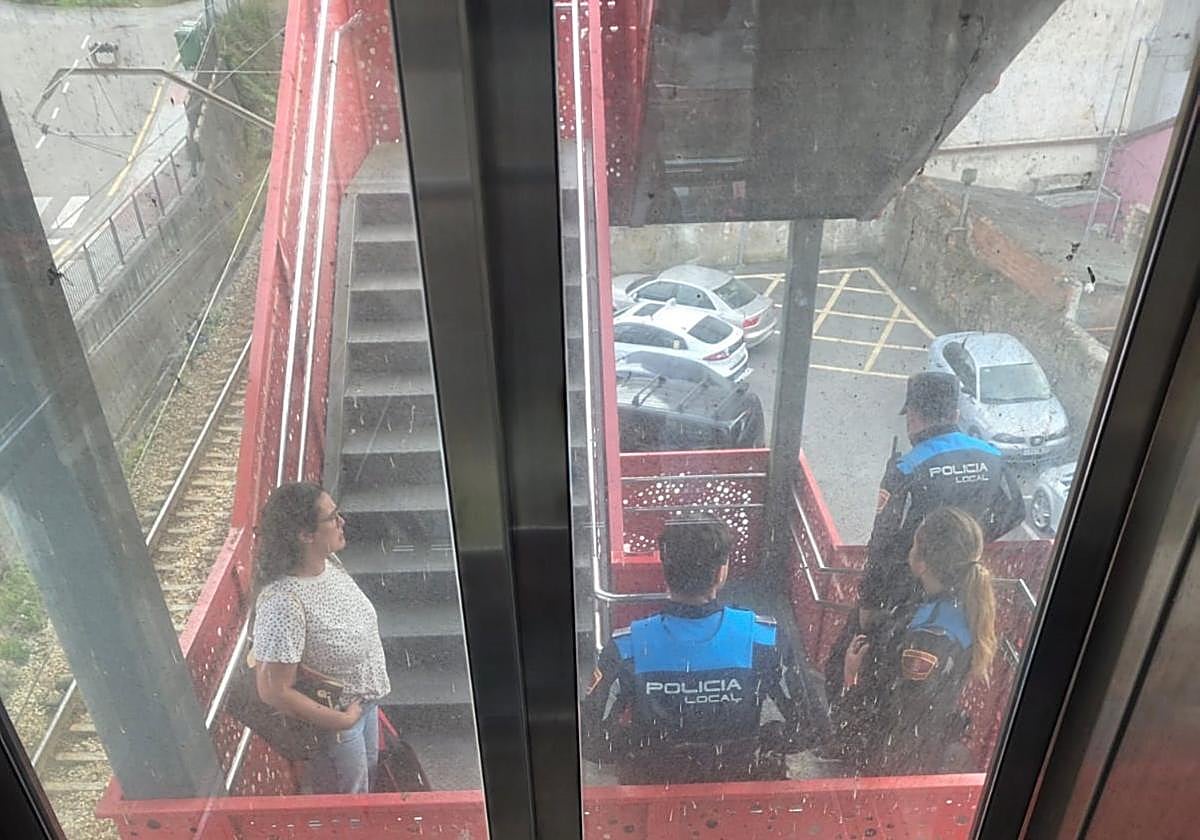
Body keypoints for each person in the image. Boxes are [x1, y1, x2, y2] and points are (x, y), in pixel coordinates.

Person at [581, 519, 826, 784]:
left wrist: (645, 747)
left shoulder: (626, 646)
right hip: (738, 791)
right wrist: (764, 739)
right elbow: (812, 727)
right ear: (721, 572)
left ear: (665, 569)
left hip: (655, 796)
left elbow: (592, 740)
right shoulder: (765, 638)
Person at [826, 371, 1023, 697]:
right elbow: (1015, 510)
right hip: (957, 586)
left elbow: (882, 544)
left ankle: (848, 711)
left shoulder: (908, 468)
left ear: (914, 416)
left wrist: (870, 605)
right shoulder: (992, 457)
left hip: (903, 589)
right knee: (928, 674)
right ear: (955, 414)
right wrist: (966, 544)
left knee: (849, 662)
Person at [830, 507, 997, 774]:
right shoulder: (960, 606)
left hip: (891, 769)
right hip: (923, 748)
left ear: (922, 563)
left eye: (914, 544)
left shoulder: (929, 638)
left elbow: (896, 724)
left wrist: (852, 677)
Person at [252, 482, 391, 794]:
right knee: (347, 805)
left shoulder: (329, 564)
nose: (342, 521)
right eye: (332, 517)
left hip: (362, 706)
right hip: (335, 726)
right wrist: (341, 722)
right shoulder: (283, 602)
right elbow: (273, 690)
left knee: (364, 791)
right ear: (305, 535)